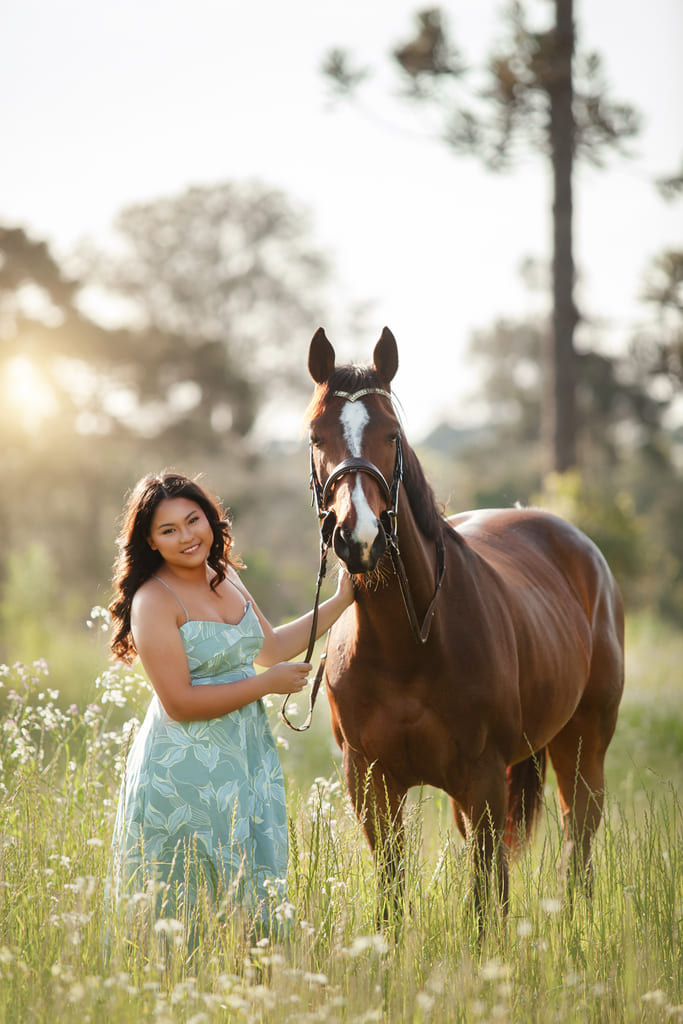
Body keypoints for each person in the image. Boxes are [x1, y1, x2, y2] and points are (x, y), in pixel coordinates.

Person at [106, 470, 354, 940]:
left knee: (248, 883)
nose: (187, 537)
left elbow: (272, 647)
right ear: (150, 542)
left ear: (209, 518)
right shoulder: (153, 601)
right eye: (168, 530)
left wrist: (341, 601)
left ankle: (250, 976)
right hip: (184, 768)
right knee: (187, 895)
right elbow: (179, 703)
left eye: (193, 520)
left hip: (243, 755)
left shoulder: (225, 575)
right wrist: (264, 686)